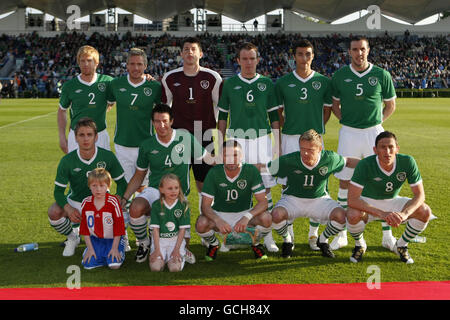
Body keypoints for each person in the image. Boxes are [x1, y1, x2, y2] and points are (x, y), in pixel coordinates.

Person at [121, 104, 214, 264]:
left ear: (171, 121)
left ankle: (182, 247)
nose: (161, 125)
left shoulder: (186, 138)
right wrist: (125, 197)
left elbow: (209, 159)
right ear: (152, 122)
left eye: (164, 121)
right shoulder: (147, 144)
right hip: (155, 191)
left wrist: (232, 163)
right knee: (135, 207)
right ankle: (144, 243)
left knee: (182, 247)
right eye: (157, 121)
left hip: (178, 194)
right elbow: (139, 175)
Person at [330, 36, 397, 251]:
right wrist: (347, 122)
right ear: (349, 52)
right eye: (355, 49)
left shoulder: (381, 74)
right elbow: (334, 105)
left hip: (373, 133)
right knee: (345, 182)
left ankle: (387, 235)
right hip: (349, 133)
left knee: (380, 181)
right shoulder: (340, 75)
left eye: (363, 49)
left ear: (368, 50)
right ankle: (342, 234)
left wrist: (376, 125)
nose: (359, 53)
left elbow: (390, 105)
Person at [217, 41, 281, 253]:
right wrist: (220, 143)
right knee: (238, 186)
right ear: (238, 61)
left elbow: (273, 116)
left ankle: (267, 235)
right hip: (237, 140)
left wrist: (277, 143)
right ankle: (233, 236)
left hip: (262, 139)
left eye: (252, 58)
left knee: (265, 187)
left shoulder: (267, 84)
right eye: (244, 59)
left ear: (258, 60)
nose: (248, 62)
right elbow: (223, 116)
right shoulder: (229, 84)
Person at [275, 39, 333, 251]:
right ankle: (288, 233)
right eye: (300, 54)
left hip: (315, 139)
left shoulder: (324, 82)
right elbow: (278, 113)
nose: (304, 58)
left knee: (319, 181)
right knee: (286, 181)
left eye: (308, 54)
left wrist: (314, 133)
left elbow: (327, 111)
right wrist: (290, 128)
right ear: (294, 57)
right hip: (290, 137)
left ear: (313, 56)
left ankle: (313, 234)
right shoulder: (282, 82)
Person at [265, 129, 359, 258]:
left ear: (320, 149)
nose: (305, 153)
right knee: (275, 215)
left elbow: (348, 161)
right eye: (302, 148)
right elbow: (267, 168)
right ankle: (288, 240)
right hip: (293, 199)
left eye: (310, 150)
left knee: (342, 216)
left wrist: (372, 165)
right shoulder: (290, 160)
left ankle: (323, 240)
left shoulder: (329, 159)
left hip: (319, 199)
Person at [347, 131, 432, 264]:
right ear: (375, 150)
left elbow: (420, 195)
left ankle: (401, 245)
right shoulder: (365, 164)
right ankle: (360, 244)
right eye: (383, 147)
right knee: (352, 214)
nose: (387, 151)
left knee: (424, 211)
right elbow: (352, 199)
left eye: (391, 147)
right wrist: (382, 213)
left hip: (393, 201)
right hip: (369, 202)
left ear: (397, 148)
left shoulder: (407, 161)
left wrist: (404, 214)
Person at [48, 117, 127, 257]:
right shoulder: (67, 161)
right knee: (54, 212)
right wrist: (68, 208)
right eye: (81, 135)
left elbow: (122, 183)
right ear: (75, 137)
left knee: (126, 208)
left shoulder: (107, 156)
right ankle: (73, 238)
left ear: (96, 137)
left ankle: (120, 236)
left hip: (102, 204)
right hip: (77, 203)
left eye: (89, 135)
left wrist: (119, 199)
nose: (86, 139)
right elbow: (58, 192)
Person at [161, 37, 222, 217]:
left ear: (200, 53)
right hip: (179, 136)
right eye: (186, 49)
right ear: (181, 54)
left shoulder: (212, 77)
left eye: (193, 49)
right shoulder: (170, 77)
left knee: (205, 183)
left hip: (204, 136)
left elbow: (220, 106)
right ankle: (175, 224)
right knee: (176, 182)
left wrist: (211, 127)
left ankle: (207, 225)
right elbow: (165, 108)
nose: (189, 52)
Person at [196, 140, 272, 261]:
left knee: (267, 218)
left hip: (244, 213)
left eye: (235, 155)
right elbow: (205, 206)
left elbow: (263, 202)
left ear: (241, 156)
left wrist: (246, 217)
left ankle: (255, 243)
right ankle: (214, 244)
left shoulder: (251, 171)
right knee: (201, 223)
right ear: (221, 157)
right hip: (221, 214)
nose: (231, 159)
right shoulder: (214, 172)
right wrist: (218, 220)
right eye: (227, 155)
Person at [58, 45, 113, 154]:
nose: (86, 64)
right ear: (78, 63)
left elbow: (127, 85)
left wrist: (145, 76)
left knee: (102, 170)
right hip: (77, 136)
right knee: (77, 170)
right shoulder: (70, 86)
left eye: (89, 60)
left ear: (96, 63)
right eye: (82, 61)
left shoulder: (108, 82)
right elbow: (62, 110)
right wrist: (62, 137)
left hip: (100, 134)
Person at [80, 168, 126, 269]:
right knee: (88, 265)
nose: (98, 189)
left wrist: (114, 248)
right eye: (94, 186)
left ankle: (116, 249)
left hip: (112, 239)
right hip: (95, 240)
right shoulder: (86, 203)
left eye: (102, 186)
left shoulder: (113, 202)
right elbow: (85, 229)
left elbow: (119, 227)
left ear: (108, 186)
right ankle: (97, 252)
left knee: (114, 265)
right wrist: (90, 249)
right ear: (89, 186)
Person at [149, 174, 191, 272]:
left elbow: (182, 230)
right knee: (155, 268)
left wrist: (176, 250)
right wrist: (157, 250)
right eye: (170, 188)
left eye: (176, 188)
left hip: (176, 241)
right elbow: (155, 229)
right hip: (160, 241)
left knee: (174, 268)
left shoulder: (183, 205)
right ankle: (163, 258)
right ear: (161, 189)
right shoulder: (156, 205)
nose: (174, 191)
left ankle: (182, 252)